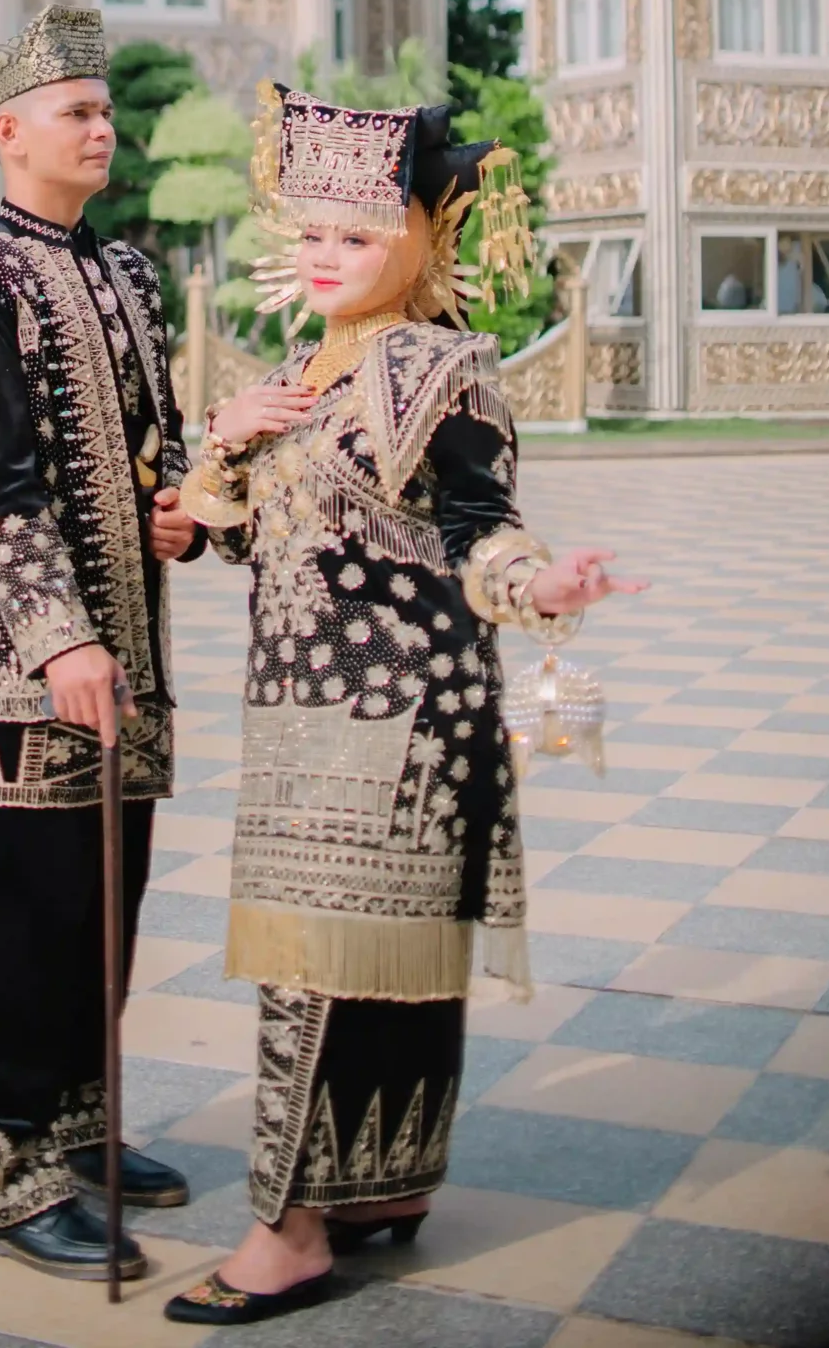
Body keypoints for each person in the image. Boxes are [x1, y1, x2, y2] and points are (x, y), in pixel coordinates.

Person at [162, 88, 647, 1327]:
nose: (326, 255)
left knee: (313, 977)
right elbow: (249, 538)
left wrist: (543, 584)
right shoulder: (297, 373)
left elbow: (483, 530)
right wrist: (218, 449)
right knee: (352, 972)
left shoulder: (445, 370)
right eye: (312, 232)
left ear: (421, 241)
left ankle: (287, 1233)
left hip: (401, 723)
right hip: (298, 719)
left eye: (359, 234)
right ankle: (382, 1183)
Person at [0, 4, 202, 1282]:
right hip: (25, 657)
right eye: (77, 112)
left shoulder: (129, 274)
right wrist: (57, 641)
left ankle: (83, 1120)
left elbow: (159, 440)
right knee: (23, 902)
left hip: (130, 647)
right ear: (10, 132)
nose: (103, 129)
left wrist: (181, 512)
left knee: (106, 889)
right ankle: (5, 1162)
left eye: (106, 109)